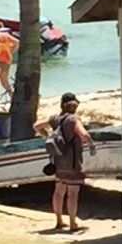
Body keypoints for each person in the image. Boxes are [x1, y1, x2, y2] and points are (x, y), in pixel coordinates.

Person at [35, 92, 94, 232]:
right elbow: (84, 135)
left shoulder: (55, 118)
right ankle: (73, 223)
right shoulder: (73, 119)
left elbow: (36, 126)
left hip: (58, 161)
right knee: (72, 193)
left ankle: (59, 220)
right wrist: (90, 142)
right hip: (73, 161)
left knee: (59, 191)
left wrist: (47, 135)